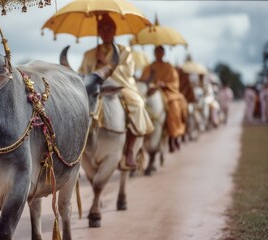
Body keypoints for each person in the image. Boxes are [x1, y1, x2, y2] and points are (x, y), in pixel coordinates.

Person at [78, 13, 154, 169]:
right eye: (102, 29)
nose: (106, 31)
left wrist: (105, 62)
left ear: (115, 31)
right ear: (98, 32)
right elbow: (82, 74)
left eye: (109, 28)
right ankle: (76, 150)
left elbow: (127, 72)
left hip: (121, 87)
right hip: (97, 89)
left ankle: (130, 150)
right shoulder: (89, 54)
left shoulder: (124, 51)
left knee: (138, 104)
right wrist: (94, 67)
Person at [140, 46, 188, 152]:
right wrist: (150, 78)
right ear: (154, 53)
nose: (158, 54)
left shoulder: (169, 67)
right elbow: (142, 81)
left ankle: (173, 135)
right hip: (150, 92)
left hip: (167, 92)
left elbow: (175, 83)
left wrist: (164, 84)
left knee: (174, 106)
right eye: (156, 51)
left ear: (164, 53)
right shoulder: (149, 67)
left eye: (160, 52)